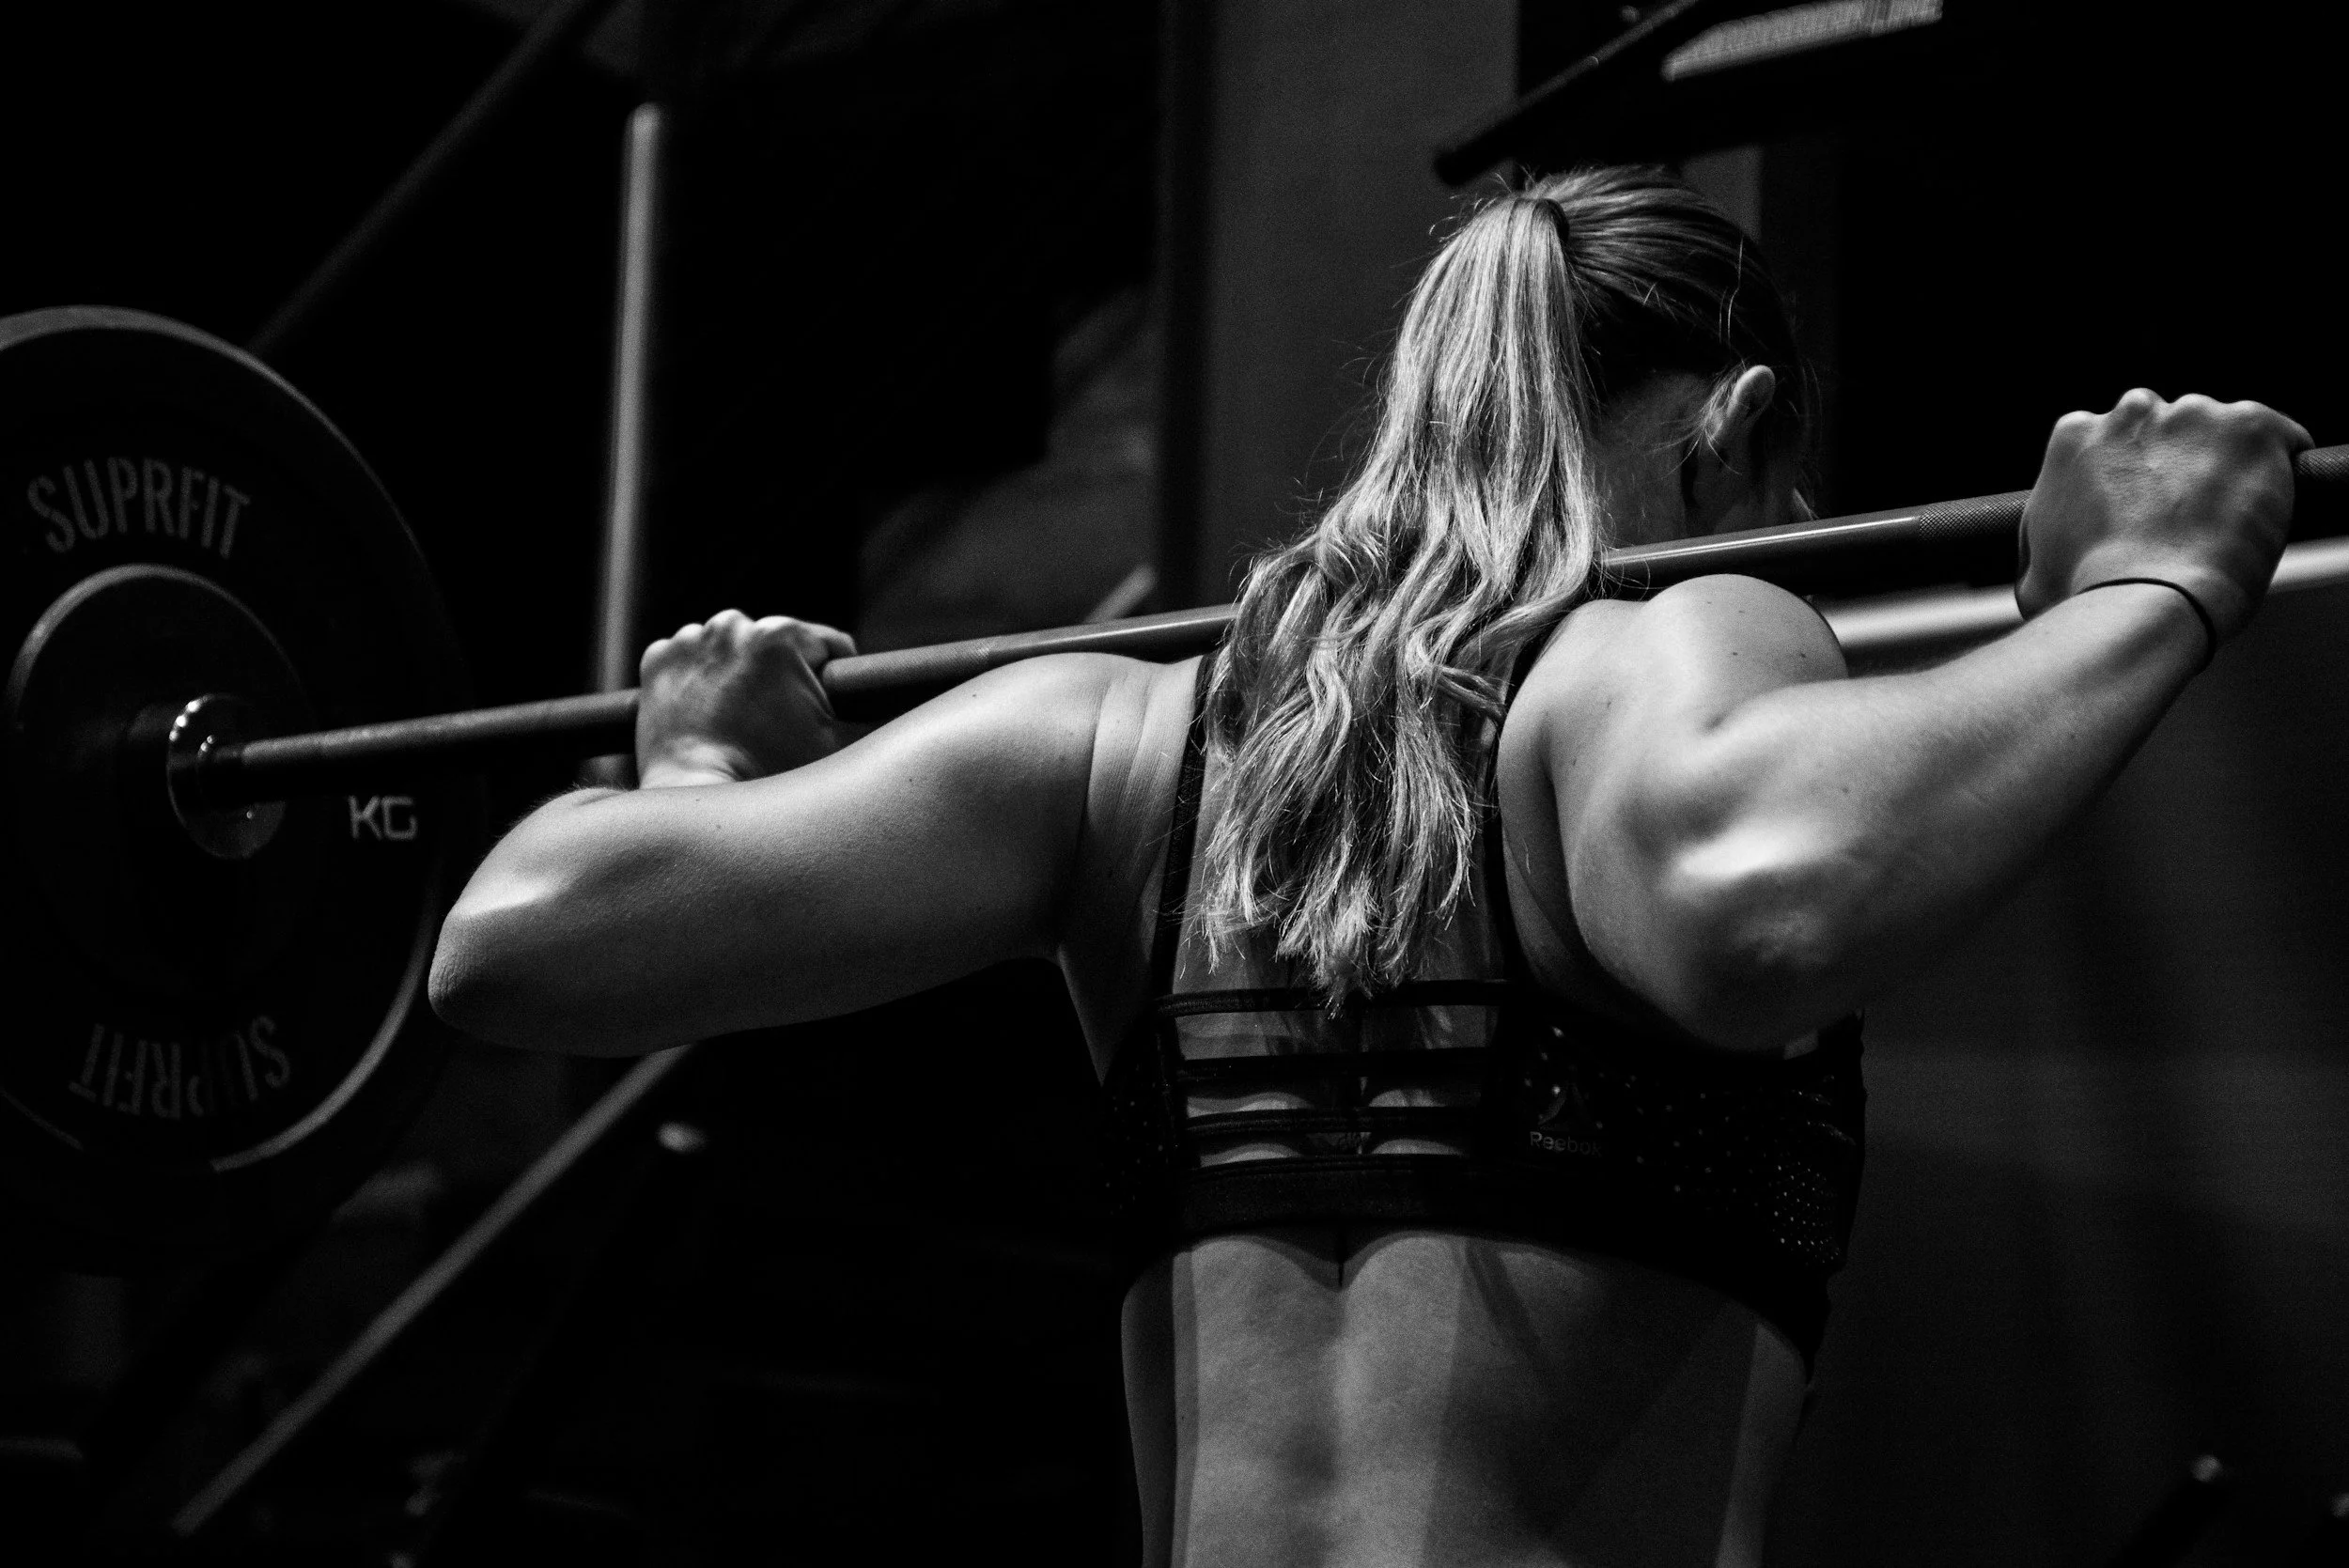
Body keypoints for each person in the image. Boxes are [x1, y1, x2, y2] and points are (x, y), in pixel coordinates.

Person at [428, 166, 2308, 1567]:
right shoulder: (1671, 637)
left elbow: (518, 937)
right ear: (1732, 435)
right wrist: (2151, 584)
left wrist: (696, 767)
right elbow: (1762, 912)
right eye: (1780, 489)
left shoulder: (1104, 743)